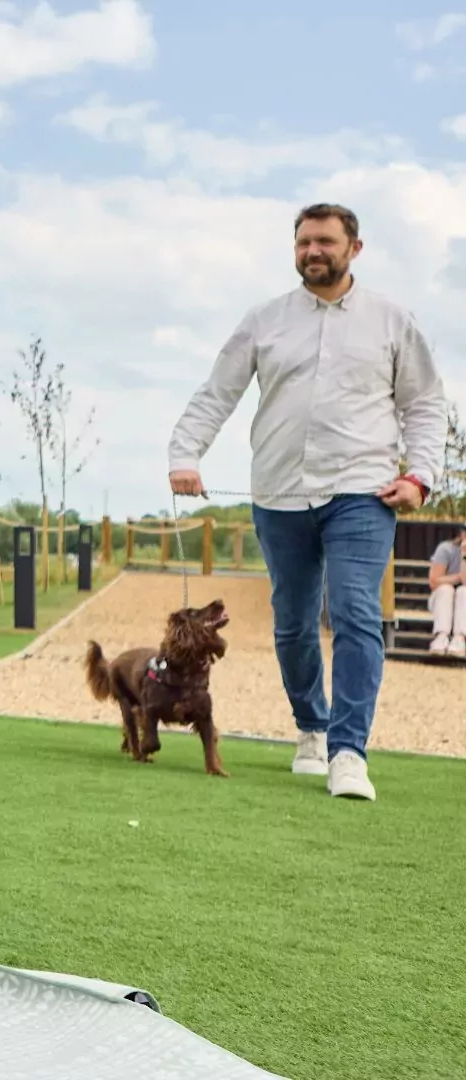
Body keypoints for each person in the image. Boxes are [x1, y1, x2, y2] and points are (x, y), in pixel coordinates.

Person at [168, 203, 446, 801]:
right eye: (302, 243)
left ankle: (349, 753)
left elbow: (424, 402)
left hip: (362, 493)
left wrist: (419, 475)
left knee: (354, 614)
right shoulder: (264, 321)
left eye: (324, 241)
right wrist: (184, 454)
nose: (312, 251)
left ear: (355, 248)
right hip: (278, 494)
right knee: (293, 627)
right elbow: (218, 391)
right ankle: (311, 729)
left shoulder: (392, 321)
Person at [428, 525, 466, 658]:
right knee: (446, 589)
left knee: (463, 591)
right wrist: (457, 578)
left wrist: (464, 557)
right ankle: (441, 636)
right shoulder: (445, 549)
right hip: (441, 600)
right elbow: (434, 582)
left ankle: (460, 638)